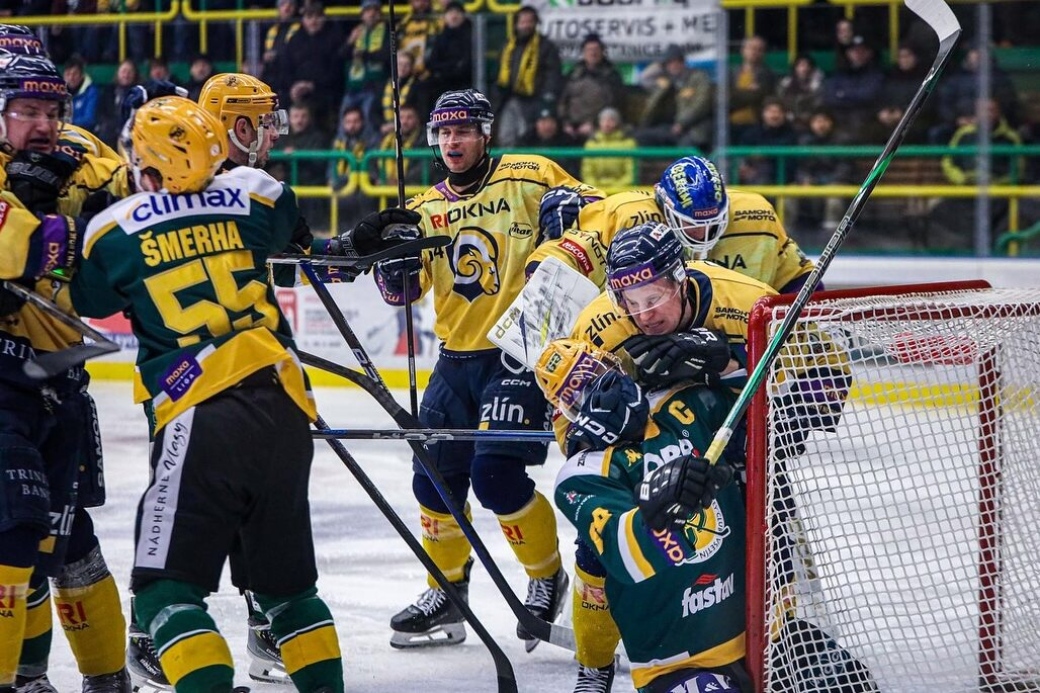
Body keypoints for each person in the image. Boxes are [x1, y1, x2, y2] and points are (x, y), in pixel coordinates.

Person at [64, 95, 344, 693]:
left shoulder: (113, 229)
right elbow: (284, 225)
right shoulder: (254, 191)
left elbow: (86, 302)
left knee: (165, 594)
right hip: (285, 403)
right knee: (289, 593)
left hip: (201, 411)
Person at [329, 88, 602, 651]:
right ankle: (447, 595)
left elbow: (596, 212)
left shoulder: (530, 174)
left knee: (495, 476)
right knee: (432, 478)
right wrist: (395, 271)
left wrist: (572, 212)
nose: (452, 142)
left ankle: (547, 577)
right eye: (443, 133)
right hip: (455, 359)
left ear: (485, 134)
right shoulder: (427, 207)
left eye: (463, 131)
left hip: (522, 353)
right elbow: (405, 291)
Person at [0, 51, 132, 693]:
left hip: (60, 380)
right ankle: (20, 678)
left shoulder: (89, 156)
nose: (45, 124)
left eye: (53, 109)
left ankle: (108, 680)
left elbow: (144, 209)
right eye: (27, 110)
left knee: (68, 539)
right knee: (13, 530)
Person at [535, 338, 749, 693]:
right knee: (591, 562)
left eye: (595, 376)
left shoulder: (686, 403)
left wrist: (726, 360)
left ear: (616, 366)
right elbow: (627, 558)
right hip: (681, 660)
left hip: (763, 629)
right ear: (567, 414)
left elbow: (770, 413)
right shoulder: (584, 474)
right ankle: (594, 666)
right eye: (578, 396)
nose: (598, 395)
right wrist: (658, 503)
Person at [531, 155, 815, 297]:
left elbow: (797, 276)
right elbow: (571, 250)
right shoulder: (626, 214)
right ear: (665, 207)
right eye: (691, 225)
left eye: (712, 225)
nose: (702, 235)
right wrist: (544, 265)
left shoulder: (757, 213)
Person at [492, 5, 562, 147]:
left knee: (528, 138)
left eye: (529, 22)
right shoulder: (507, 46)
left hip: (535, 100)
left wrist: (546, 99)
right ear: (516, 24)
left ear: (536, 24)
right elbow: (498, 73)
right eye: (522, 22)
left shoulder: (546, 46)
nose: (526, 26)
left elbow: (552, 75)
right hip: (510, 99)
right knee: (506, 137)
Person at [636, 44, 713, 152]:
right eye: (669, 63)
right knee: (641, 137)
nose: (673, 66)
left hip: (692, 128)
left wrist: (681, 123)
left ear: (682, 62)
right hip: (669, 127)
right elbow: (644, 79)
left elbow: (701, 104)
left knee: (685, 147)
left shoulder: (698, 77)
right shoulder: (666, 80)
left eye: (676, 62)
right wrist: (660, 65)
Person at [557, 33, 624, 141]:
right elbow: (562, 100)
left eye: (596, 49)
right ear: (583, 52)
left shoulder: (611, 75)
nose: (593, 53)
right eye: (589, 49)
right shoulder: (574, 73)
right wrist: (565, 124)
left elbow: (615, 103)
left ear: (602, 51)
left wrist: (595, 123)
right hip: (570, 127)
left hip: (598, 126)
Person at [342, 0, 389, 127]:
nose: (372, 14)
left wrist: (364, 54)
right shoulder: (356, 31)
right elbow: (341, 56)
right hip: (353, 86)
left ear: (380, 13)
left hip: (374, 86)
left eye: (375, 10)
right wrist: (350, 42)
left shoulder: (387, 31)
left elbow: (387, 55)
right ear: (362, 14)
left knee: (369, 121)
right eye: (368, 11)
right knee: (345, 122)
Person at [580, 107, 636, 190]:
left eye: (611, 120)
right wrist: (595, 188)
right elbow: (587, 172)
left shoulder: (628, 143)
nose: (607, 123)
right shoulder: (591, 144)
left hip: (621, 190)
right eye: (604, 120)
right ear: (599, 122)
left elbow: (631, 173)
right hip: (596, 190)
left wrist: (615, 189)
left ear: (617, 123)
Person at [63, 53, 99, 133]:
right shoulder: (59, 92)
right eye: (68, 74)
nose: (71, 78)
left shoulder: (91, 91)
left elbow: (90, 119)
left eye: (75, 74)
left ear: (81, 75)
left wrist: (69, 124)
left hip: (84, 134)